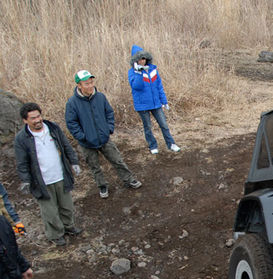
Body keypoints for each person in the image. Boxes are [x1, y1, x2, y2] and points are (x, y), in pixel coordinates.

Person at [65, 70, 142, 199]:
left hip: (104, 138)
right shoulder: (72, 103)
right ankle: (102, 185)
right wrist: (82, 136)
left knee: (117, 160)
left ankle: (129, 179)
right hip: (87, 143)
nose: (90, 86)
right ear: (79, 85)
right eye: (86, 83)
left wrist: (109, 129)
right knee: (95, 166)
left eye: (91, 82)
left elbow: (109, 113)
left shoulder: (100, 97)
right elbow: (71, 123)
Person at [14, 103, 83, 247]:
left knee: (67, 206)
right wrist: (26, 181)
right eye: (33, 118)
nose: (37, 120)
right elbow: (22, 163)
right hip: (41, 181)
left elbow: (66, 146)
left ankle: (69, 226)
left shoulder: (53, 128)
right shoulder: (21, 139)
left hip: (61, 175)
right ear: (25, 120)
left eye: (38, 116)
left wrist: (74, 162)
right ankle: (56, 234)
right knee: (49, 211)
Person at [128, 45, 180, 155]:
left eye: (143, 58)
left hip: (156, 103)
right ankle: (153, 145)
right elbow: (137, 87)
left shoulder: (153, 70)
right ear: (135, 60)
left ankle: (171, 143)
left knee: (164, 124)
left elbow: (159, 86)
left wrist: (164, 101)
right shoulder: (132, 72)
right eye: (139, 59)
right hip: (142, 105)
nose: (142, 61)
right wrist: (139, 73)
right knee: (148, 127)